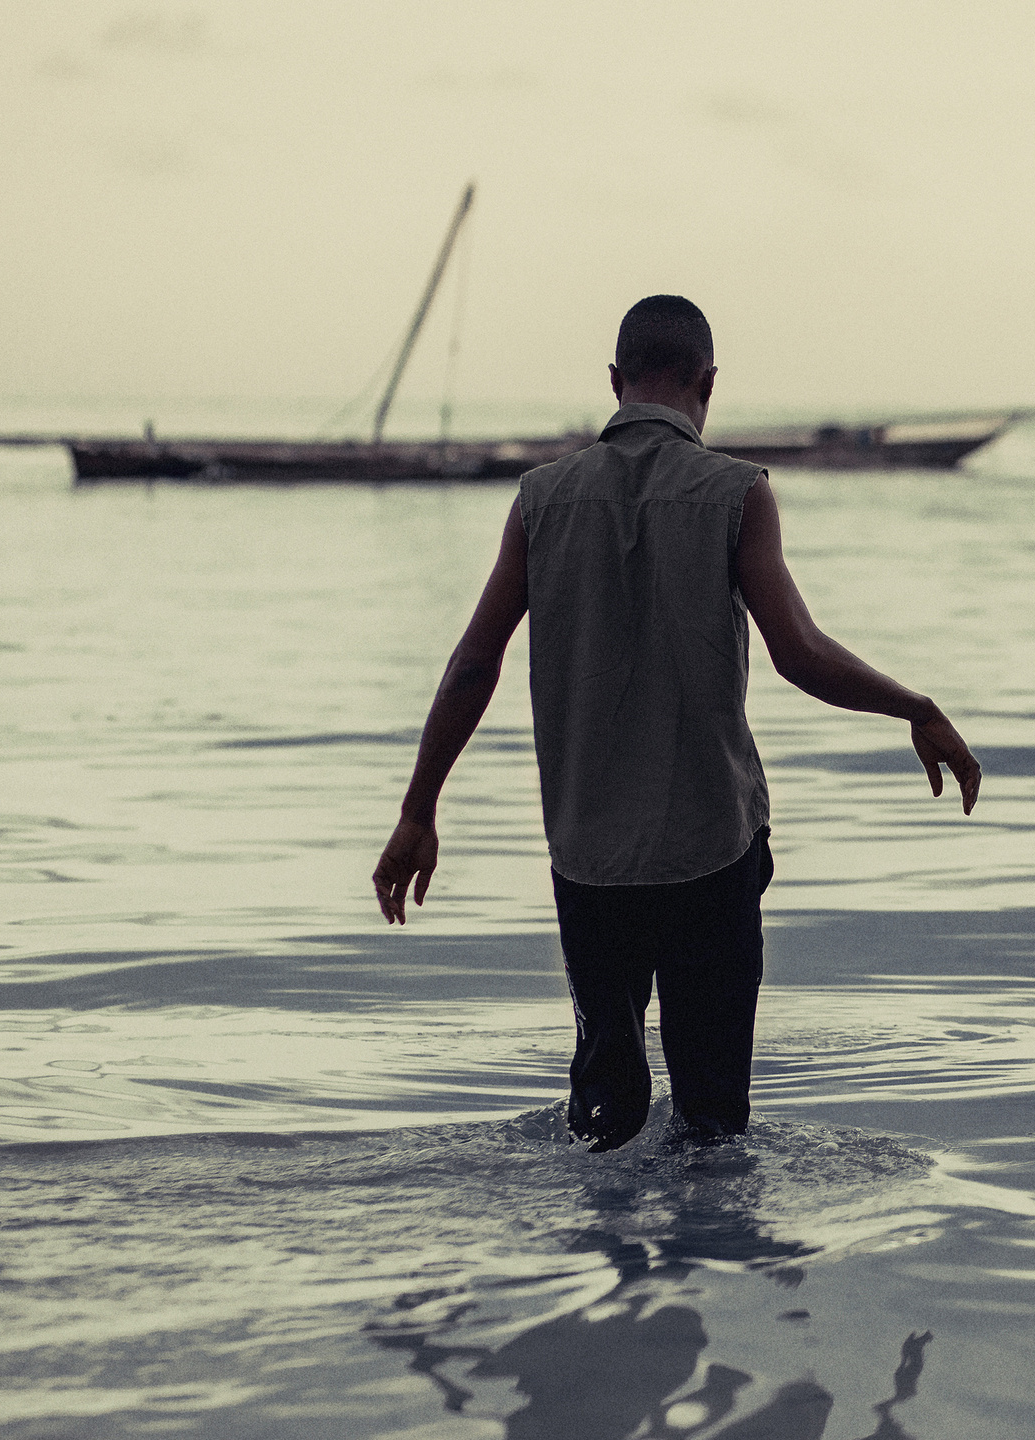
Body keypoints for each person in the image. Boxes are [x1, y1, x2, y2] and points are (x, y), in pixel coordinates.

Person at [370, 295, 981, 1151]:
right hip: (710, 852)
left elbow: (474, 661)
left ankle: (610, 1276)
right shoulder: (737, 494)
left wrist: (418, 811)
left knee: (604, 1122)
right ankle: (707, 1273)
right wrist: (915, 706)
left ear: (616, 383)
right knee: (712, 1126)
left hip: (590, 861)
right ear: (708, 384)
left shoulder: (540, 500)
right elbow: (798, 653)